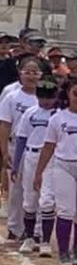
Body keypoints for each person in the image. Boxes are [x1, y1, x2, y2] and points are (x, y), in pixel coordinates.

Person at [33, 77, 77, 265]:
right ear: (68, 94)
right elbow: (48, 146)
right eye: (76, 94)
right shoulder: (58, 118)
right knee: (65, 209)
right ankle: (63, 252)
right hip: (63, 165)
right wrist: (39, 172)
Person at [11, 76, 60, 255]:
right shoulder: (30, 113)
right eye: (42, 96)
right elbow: (21, 139)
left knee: (47, 199)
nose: (46, 101)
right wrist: (16, 164)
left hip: (51, 158)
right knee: (29, 199)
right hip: (31, 155)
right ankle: (30, 237)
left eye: (49, 97)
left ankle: (45, 240)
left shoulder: (58, 115)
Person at [0, 54, 43, 240]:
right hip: (15, 145)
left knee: (36, 189)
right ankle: (14, 227)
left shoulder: (44, 97)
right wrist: (4, 152)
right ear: (20, 73)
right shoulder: (11, 96)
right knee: (16, 189)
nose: (31, 76)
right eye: (27, 72)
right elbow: (5, 124)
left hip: (38, 147)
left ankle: (35, 230)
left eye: (35, 73)